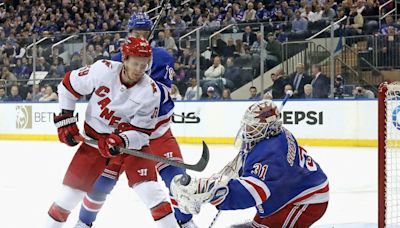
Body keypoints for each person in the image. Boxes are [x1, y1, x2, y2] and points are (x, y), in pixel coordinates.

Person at [77, 13, 196, 227]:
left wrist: (139, 75)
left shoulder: (162, 57)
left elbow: (160, 96)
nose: (140, 36)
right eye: (136, 33)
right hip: (123, 133)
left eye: (144, 33)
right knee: (101, 185)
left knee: (178, 182)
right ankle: (83, 223)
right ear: (128, 34)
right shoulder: (115, 61)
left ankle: (185, 223)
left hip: (157, 132)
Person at [44, 37, 178, 228]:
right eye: (135, 63)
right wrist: (66, 118)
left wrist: (121, 140)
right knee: (68, 197)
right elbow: (67, 86)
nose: (139, 69)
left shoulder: (151, 92)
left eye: (144, 65)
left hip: (131, 149)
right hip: (93, 144)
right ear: (124, 59)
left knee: (151, 192)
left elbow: (141, 134)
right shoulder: (102, 70)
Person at [171, 99, 329, 227]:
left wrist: (213, 195)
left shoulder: (271, 153)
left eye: (253, 127)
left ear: (268, 128)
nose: (247, 130)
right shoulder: (272, 136)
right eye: (247, 125)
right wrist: (216, 183)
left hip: (306, 201)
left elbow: (250, 193)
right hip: (289, 190)